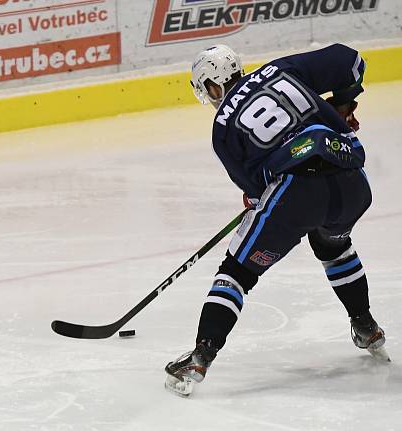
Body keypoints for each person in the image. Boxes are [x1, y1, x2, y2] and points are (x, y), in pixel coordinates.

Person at [164, 43, 388, 397]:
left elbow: (257, 193)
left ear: (212, 86)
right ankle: (367, 326)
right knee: (333, 244)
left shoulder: (222, 128)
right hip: (352, 182)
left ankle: (200, 357)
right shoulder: (283, 69)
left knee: (237, 271)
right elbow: (352, 60)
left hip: (298, 193)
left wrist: (257, 197)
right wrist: (341, 107)